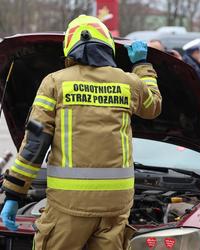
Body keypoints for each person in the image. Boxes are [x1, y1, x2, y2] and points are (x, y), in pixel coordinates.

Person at [0, 15, 162, 250]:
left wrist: (14, 193)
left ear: (70, 48)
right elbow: (154, 106)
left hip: (69, 203)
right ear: (107, 45)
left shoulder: (54, 83)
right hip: (116, 204)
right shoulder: (129, 83)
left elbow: (35, 142)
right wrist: (142, 66)